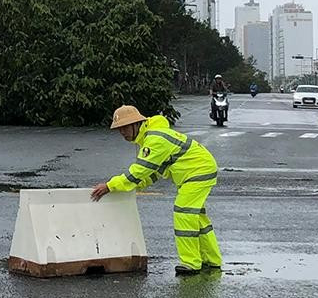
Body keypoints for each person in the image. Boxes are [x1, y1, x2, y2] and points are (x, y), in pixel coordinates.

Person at [91, 105, 222, 276]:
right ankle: (212, 260)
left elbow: (138, 172)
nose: (122, 132)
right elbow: (153, 172)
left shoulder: (154, 140)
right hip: (198, 171)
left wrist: (110, 186)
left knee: (184, 213)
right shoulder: (150, 138)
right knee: (197, 219)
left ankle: (191, 263)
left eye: (124, 127)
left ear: (136, 124)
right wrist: (134, 185)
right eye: (119, 129)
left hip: (197, 172)